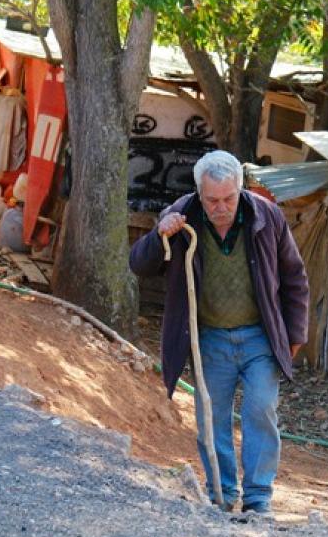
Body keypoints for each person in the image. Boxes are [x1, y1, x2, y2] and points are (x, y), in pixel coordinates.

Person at [129, 150, 309, 516]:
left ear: (240, 190)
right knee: (213, 418)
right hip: (209, 337)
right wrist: (159, 234)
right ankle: (222, 494)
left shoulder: (266, 216)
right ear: (200, 193)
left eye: (228, 198)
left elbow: (295, 278)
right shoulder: (182, 214)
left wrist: (295, 336)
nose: (221, 207)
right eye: (212, 200)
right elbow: (140, 264)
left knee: (261, 409)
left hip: (260, 336)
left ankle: (258, 499)